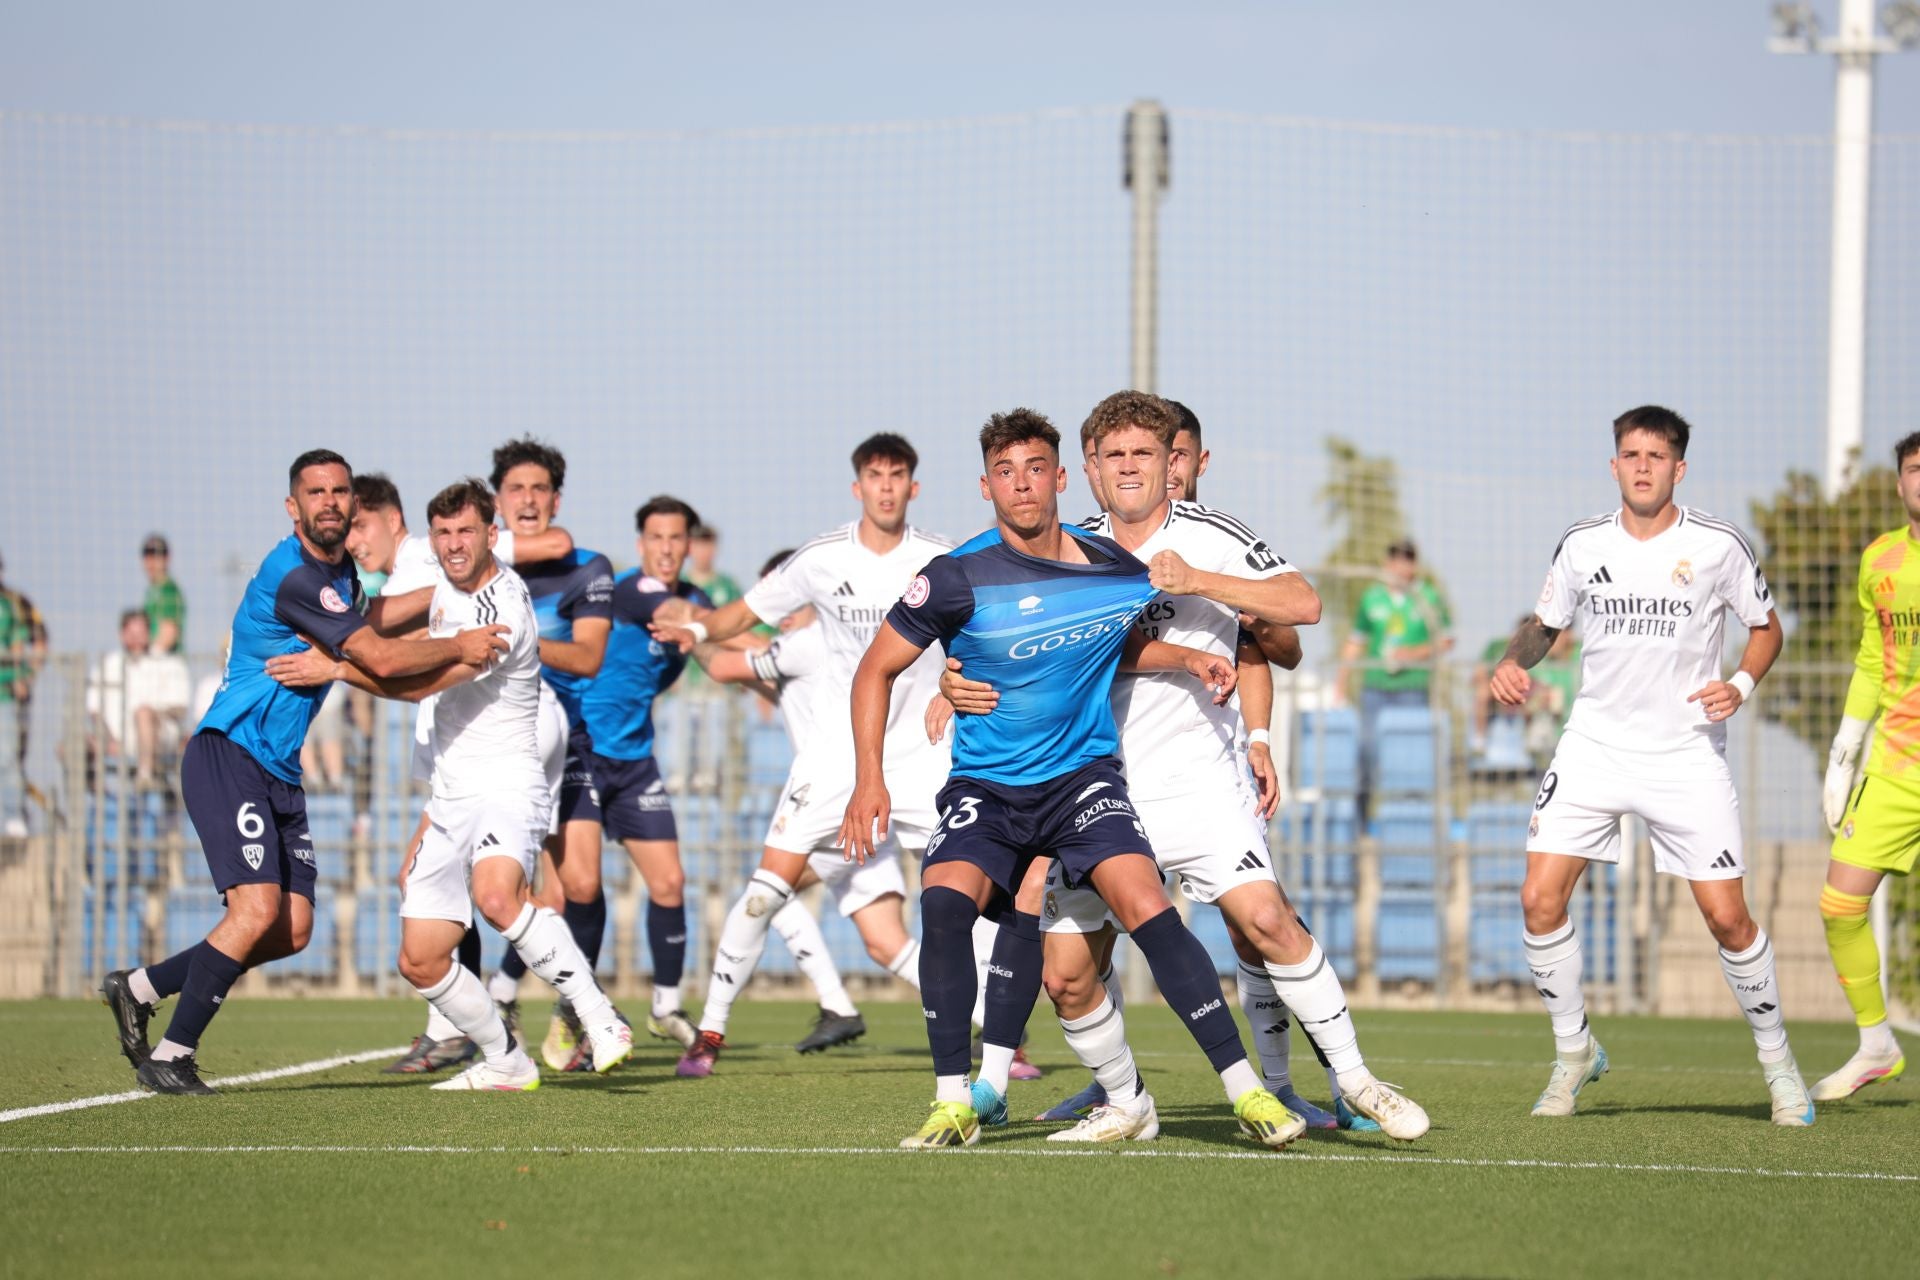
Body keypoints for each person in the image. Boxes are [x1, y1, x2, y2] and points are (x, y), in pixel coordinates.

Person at [940, 392, 1426, 1145]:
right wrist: (951, 681)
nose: (1128, 467)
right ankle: (1125, 1100)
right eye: (1113, 455)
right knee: (1066, 975)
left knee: (1265, 920)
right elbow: (995, 624)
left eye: (1143, 453)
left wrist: (1197, 580)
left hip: (1198, 781)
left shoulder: (1210, 534)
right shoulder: (1073, 548)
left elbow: (1301, 604)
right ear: (1089, 469)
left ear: (1172, 462)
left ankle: (1358, 1081)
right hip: (1092, 784)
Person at [839, 407, 1307, 1151]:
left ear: (1060, 477)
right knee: (944, 905)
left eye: (1034, 469)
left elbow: (1141, 644)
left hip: (1081, 784)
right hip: (988, 788)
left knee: (1147, 905)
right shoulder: (955, 575)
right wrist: (873, 775)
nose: (1021, 485)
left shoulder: (1113, 569)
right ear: (986, 486)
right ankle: (955, 1100)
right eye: (1004, 472)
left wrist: (1192, 658)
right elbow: (875, 669)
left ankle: (1249, 1092)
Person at [97, 450, 509, 1095]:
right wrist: (459, 641)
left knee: (291, 928)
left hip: (278, 770)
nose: (330, 502)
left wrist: (456, 590)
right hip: (230, 753)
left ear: (353, 502)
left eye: (340, 491)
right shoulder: (293, 575)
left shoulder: (340, 575)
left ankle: (140, 987)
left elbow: (372, 622)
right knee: (256, 909)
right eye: (316, 492)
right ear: (293, 507)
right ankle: (173, 1055)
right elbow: (378, 656)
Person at [1489, 405, 1812, 1125]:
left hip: (1685, 752)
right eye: (1631, 455)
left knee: (1727, 918)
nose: (1642, 467)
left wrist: (1741, 684)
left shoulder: (1718, 545)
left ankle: (1779, 1064)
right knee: (1538, 899)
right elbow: (1545, 625)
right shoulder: (1582, 544)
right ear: (1614, 466)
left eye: (1656, 456)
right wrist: (1512, 663)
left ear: (1679, 469)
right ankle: (1574, 1053)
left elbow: (1766, 628)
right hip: (1594, 745)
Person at [650, 434, 967, 1078]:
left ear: (913, 486)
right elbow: (746, 613)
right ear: (857, 486)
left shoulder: (943, 558)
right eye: (874, 475)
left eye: (896, 475)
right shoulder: (820, 561)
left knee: (964, 893)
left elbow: (981, 630)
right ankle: (710, 1033)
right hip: (832, 766)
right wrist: (698, 627)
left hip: (921, 758)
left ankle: (997, 1032)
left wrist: (954, 686)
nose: (885, 487)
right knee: (769, 893)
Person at [339, 480, 631, 1089]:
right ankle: (506, 1062)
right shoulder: (442, 581)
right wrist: (331, 623)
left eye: (466, 532)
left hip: (506, 782)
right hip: (451, 791)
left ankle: (600, 1016)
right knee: (420, 959)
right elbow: (386, 618)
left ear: (491, 535)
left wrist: (335, 664)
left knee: (498, 897)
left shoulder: (503, 607)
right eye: (443, 533)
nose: (453, 544)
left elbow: (415, 684)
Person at [678, 550, 928, 1071]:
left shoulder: (808, 643)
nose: (780, 611)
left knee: (767, 893)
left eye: (786, 599)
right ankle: (988, 1020)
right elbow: (763, 668)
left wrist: (689, 626)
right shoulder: (816, 647)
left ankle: (715, 1030)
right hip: (861, 806)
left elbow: (725, 664)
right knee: (886, 943)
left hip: (838, 806)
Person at [482, 438, 616, 1070]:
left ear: (556, 500)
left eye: (540, 489)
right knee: (513, 890)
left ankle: (569, 1009)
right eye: (517, 489)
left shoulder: (588, 568)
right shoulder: (476, 570)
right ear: (498, 500)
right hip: (494, 745)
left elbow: (588, 657)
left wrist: (516, 643)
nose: (529, 500)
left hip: (569, 741)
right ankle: (489, 1004)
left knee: (581, 884)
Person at [582, 494, 716, 1050]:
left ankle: (665, 1006)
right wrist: (723, 626)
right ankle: (564, 1007)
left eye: (675, 538)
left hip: (635, 761)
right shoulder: (629, 590)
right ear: (640, 544)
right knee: (576, 888)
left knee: (670, 883)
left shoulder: (698, 600)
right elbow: (679, 619)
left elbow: (711, 652)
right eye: (656, 538)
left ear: (689, 545)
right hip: (582, 752)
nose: (665, 548)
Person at [1811, 429, 1920, 1102]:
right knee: (1839, 905)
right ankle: (1877, 1043)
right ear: (1900, 481)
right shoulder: (1880, 559)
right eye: (1915, 468)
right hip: (1897, 767)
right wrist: (1844, 752)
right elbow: (1872, 661)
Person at [1339, 538, 1450, 816]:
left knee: (1410, 757)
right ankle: (1362, 822)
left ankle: (1409, 820)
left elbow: (1445, 640)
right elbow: (1355, 642)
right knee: (1366, 751)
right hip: (1375, 688)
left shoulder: (1428, 596)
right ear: (1387, 563)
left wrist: (1412, 654)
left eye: (1408, 559)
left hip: (1412, 688)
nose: (1402, 566)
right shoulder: (1372, 597)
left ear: (1415, 564)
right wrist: (1340, 681)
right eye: (1396, 559)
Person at [138, 534, 191, 790]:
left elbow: (168, 632)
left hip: (164, 678)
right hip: (152, 675)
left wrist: (146, 655)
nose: (152, 561)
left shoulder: (168, 591)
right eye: (148, 555)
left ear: (166, 559)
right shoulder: (153, 591)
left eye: (157, 555)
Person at [0, 549, 47, 836]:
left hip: (5, 694)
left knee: (7, 756)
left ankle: (13, 816)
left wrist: (25, 677)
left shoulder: (14, 604)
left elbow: (33, 642)